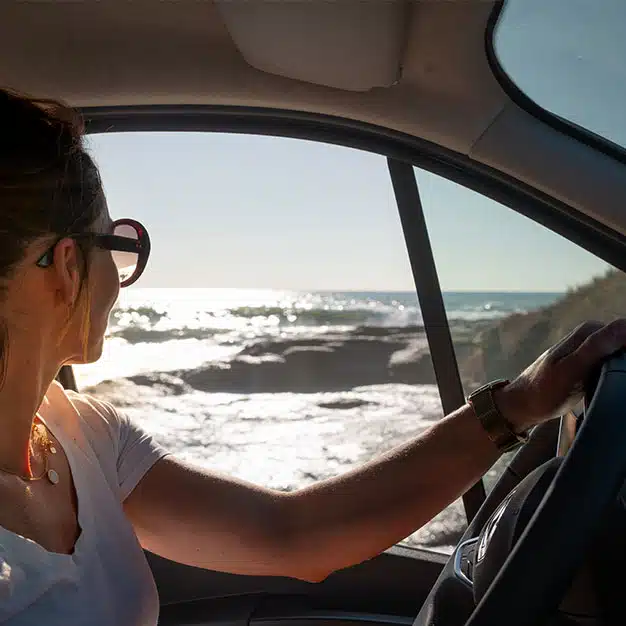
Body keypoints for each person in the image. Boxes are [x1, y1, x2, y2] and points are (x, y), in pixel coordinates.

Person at [0, 88, 622, 626]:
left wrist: (516, 405)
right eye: (117, 243)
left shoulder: (84, 434)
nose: (121, 278)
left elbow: (292, 534)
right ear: (67, 265)